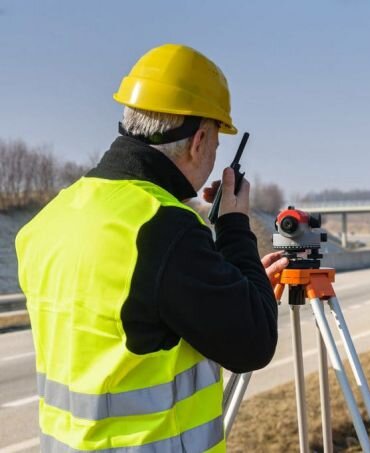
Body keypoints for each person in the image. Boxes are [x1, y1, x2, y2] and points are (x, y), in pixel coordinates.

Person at [15, 44, 288, 452]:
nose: (214, 157)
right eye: (216, 143)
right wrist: (233, 225)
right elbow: (253, 342)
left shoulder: (50, 219)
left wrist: (231, 289)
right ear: (199, 140)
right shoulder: (165, 229)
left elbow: (133, 323)